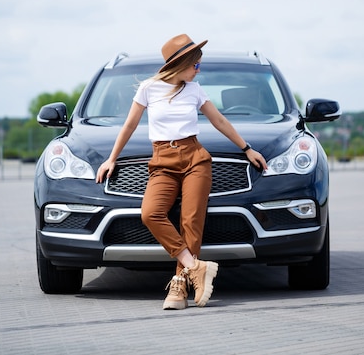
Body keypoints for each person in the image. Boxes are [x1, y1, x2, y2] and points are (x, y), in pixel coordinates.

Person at [96, 34, 268, 310]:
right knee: (150, 213)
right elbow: (128, 126)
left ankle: (179, 285)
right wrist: (111, 159)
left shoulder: (195, 90)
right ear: (181, 64)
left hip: (195, 159)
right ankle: (195, 267)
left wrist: (247, 148)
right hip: (162, 160)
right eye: (195, 65)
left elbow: (219, 120)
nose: (198, 70)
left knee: (191, 221)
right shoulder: (149, 90)